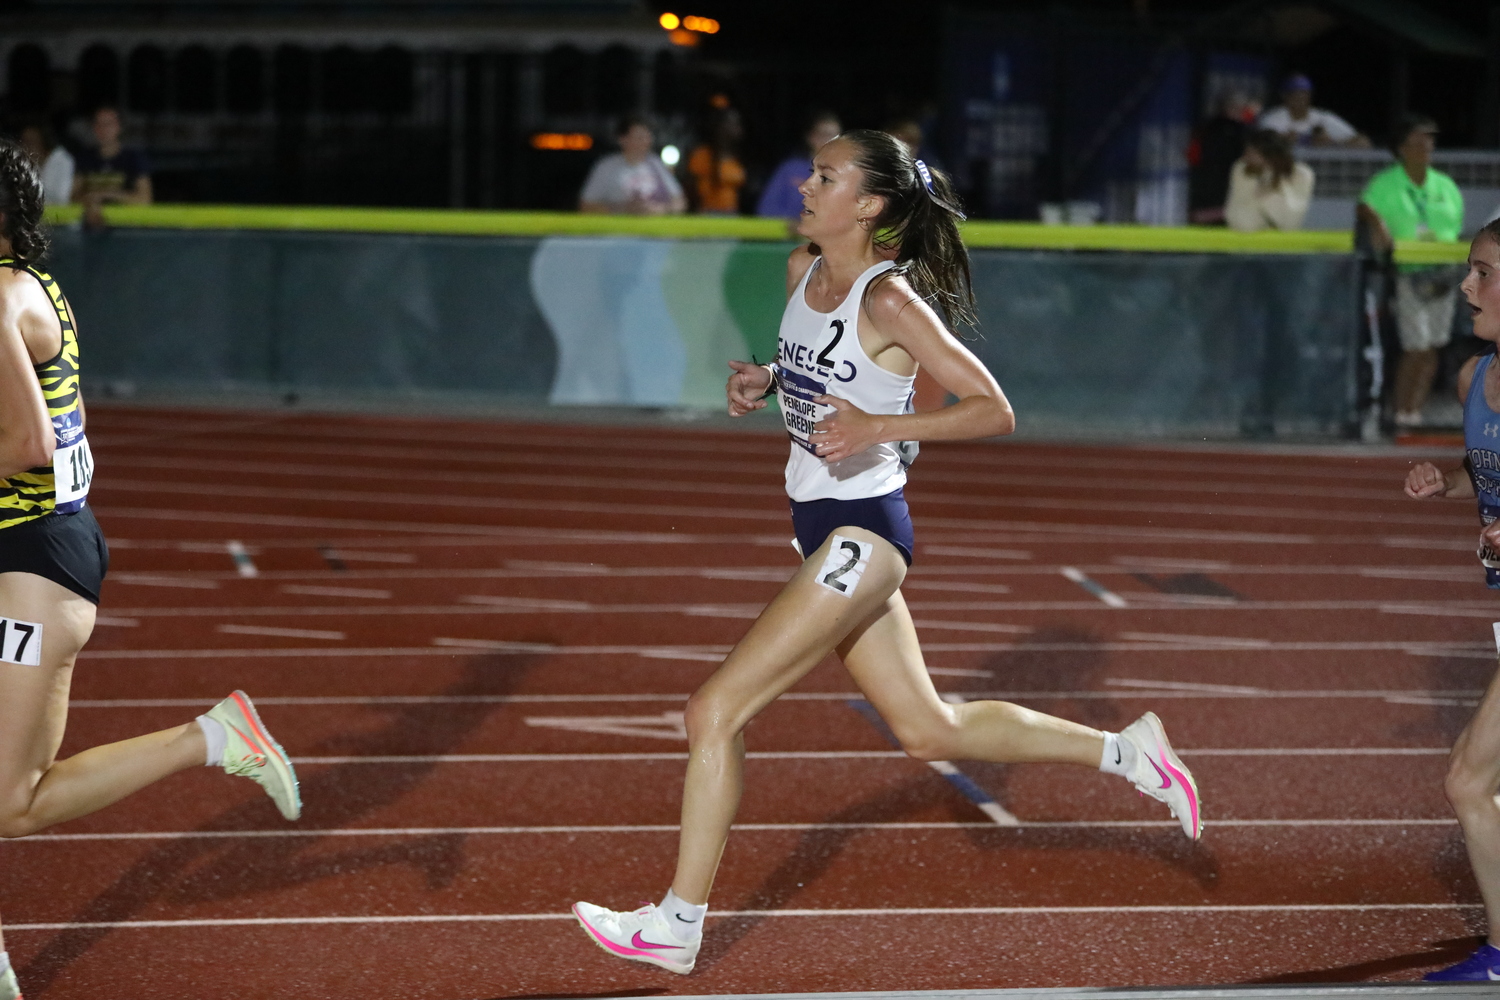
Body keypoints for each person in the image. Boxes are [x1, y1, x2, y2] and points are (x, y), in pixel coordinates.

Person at [569, 129, 1202, 977]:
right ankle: (1131, 752)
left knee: (712, 712)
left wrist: (882, 427)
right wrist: (765, 379)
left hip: (862, 533)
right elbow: (815, 367)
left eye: (825, 177)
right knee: (926, 728)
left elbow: (993, 408)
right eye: (809, 171)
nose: (803, 184)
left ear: (868, 205)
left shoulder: (891, 299)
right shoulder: (802, 272)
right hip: (819, 525)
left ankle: (677, 924)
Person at [0, 138, 299, 1000]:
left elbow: (22, 442)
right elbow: (66, 421)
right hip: (39, 546)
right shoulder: (35, 285)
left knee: (12, 804)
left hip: (31, 567)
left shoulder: (1, 296)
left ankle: (209, 738)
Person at [1403, 215, 1500, 981]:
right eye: (1470, 270)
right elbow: (1486, 470)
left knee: (1470, 779)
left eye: (1485, 273)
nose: (1467, 287)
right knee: (1474, 778)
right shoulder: (1475, 379)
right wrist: (1453, 481)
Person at [1357, 113, 1465, 428]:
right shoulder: (1386, 183)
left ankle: (1414, 411)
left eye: (1429, 140)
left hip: (1443, 271)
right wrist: (1376, 223)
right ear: (1401, 147)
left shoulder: (1444, 184)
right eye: (1417, 140)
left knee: (1433, 345)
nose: (1425, 146)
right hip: (1408, 273)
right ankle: (1399, 409)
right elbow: (1365, 206)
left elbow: (1454, 224)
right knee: (1414, 345)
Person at [578, 115, 686, 215]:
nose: (645, 141)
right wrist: (623, 209)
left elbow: (680, 202)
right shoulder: (606, 167)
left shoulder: (656, 164)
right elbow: (585, 205)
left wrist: (658, 209)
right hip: (618, 232)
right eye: (639, 137)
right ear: (622, 139)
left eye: (647, 137)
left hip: (652, 231)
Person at [71, 105, 152, 229]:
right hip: (90, 231)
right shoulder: (84, 158)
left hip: (125, 230)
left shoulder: (134, 158)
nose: (103, 129)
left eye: (108, 124)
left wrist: (106, 195)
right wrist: (89, 202)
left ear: (119, 127)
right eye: (98, 124)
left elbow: (144, 199)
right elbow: (73, 196)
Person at [1188, 90, 1257, 225]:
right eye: (1238, 107)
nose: (1242, 111)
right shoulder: (1240, 132)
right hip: (1223, 196)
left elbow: (1192, 158)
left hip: (1204, 196)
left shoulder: (1205, 128)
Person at [1224, 129, 1315, 232]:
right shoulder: (1241, 169)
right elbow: (1236, 216)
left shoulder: (1301, 174)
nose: (1245, 157)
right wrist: (1258, 181)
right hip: (1246, 238)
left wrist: (1274, 180)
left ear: (1269, 155)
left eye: (1251, 153)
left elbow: (1292, 221)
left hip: (1281, 241)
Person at [756, 111, 841, 219]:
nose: (830, 141)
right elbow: (766, 208)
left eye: (836, 137)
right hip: (790, 234)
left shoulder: (846, 174)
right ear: (811, 137)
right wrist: (795, 221)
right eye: (824, 135)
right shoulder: (790, 169)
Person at [1257, 74, 1370, 148]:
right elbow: (1264, 144)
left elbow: (1364, 143)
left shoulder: (1323, 117)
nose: (1300, 99)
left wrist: (1333, 144)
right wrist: (1306, 141)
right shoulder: (1272, 118)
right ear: (1285, 96)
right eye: (1295, 94)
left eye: (1304, 94)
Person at [687, 107, 745, 215]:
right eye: (732, 124)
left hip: (732, 213)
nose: (738, 129)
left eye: (738, 124)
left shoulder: (739, 157)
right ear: (720, 127)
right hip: (707, 213)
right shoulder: (702, 155)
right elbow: (691, 188)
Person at [16, 123, 72, 208]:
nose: (27, 147)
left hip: (62, 217)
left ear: (43, 141)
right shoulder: (22, 164)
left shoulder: (62, 160)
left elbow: (62, 198)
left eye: (32, 142)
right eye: (24, 142)